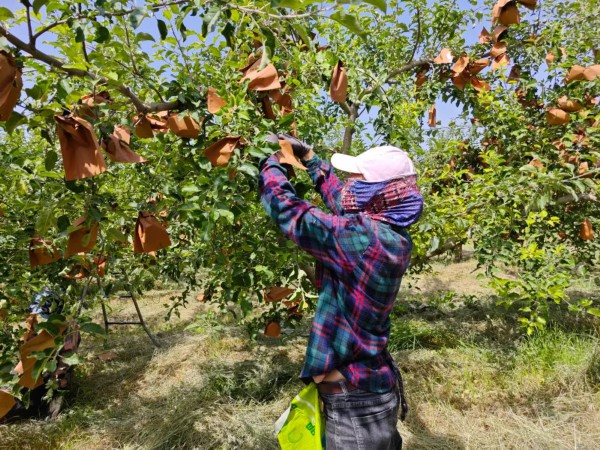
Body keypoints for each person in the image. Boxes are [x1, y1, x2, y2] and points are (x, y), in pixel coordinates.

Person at [259, 133, 423, 450]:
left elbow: (290, 212)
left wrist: (268, 162)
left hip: (356, 406)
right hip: (370, 391)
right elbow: (343, 204)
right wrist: (310, 159)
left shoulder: (363, 238)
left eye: (356, 179)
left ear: (377, 192)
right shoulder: (390, 231)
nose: (349, 184)